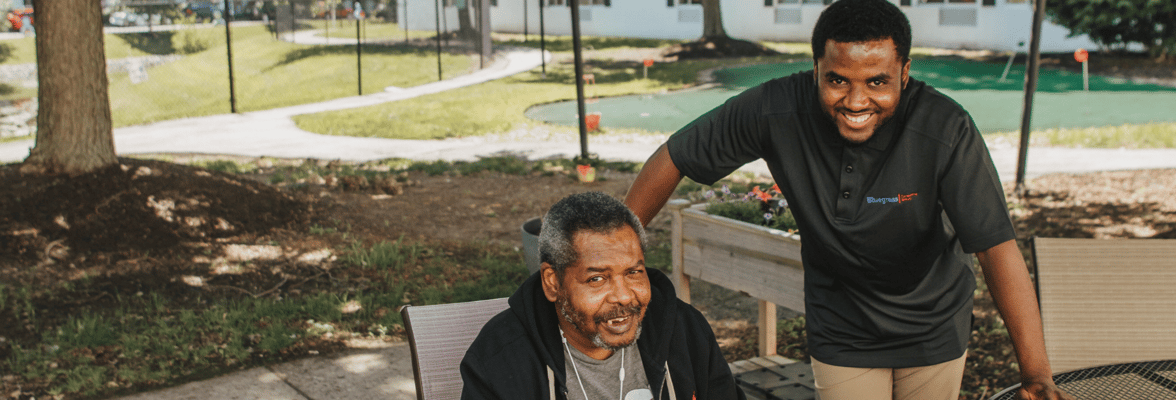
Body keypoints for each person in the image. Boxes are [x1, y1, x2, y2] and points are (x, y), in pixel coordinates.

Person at [622, 0, 1074, 399]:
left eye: (878, 82)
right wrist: (617, 250)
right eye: (837, 80)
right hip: (841, 325)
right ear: (815, 68)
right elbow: (674, 156)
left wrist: (1036, 373)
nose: (856, 101)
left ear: (905, 72)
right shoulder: (776, 109)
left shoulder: (944, 127)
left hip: (933, 323)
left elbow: (996, 247)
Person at [460, 191, 745, 400]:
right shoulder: (500, 359)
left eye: (633, 272)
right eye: (597, 279)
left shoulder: (684, 330)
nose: (623, 297)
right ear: (553, 283)